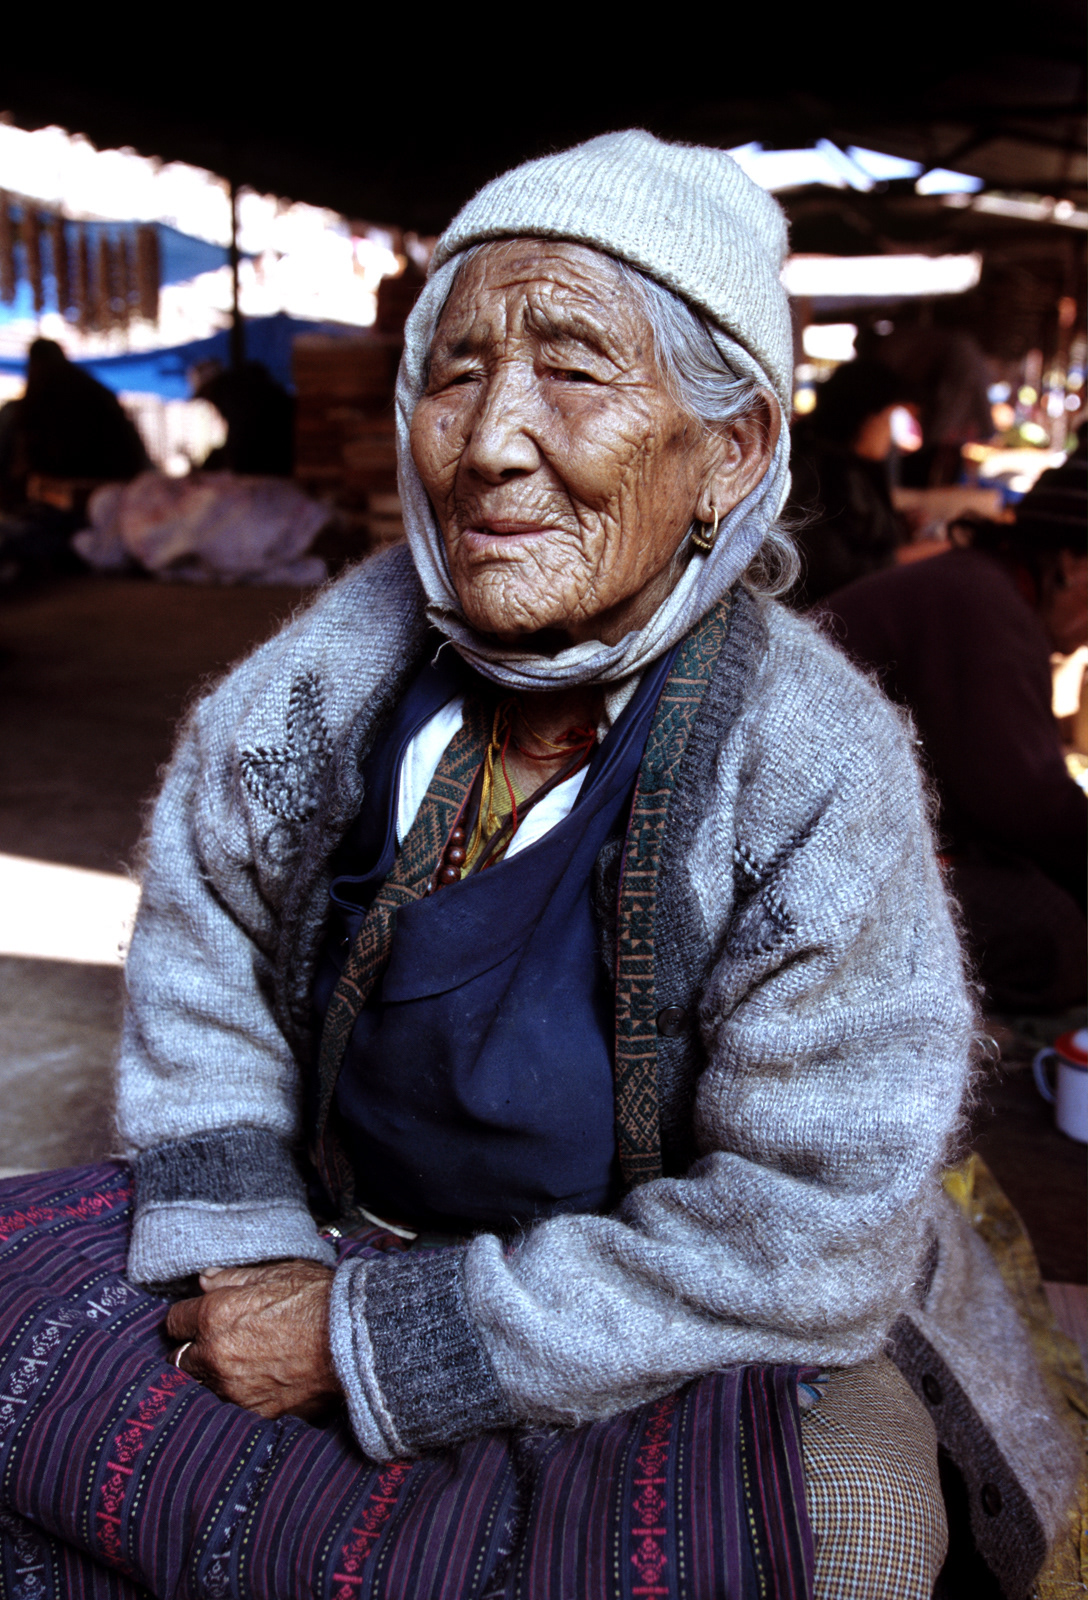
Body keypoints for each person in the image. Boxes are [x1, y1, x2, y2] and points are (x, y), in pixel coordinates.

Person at [0, 133, 1076, 1600]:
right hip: (331, 1231)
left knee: (854, 1542)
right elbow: (209, 965)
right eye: (455, 372)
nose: (492, 439)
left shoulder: (810, 759)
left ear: (734, 449)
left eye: (572, 366)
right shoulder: (326, 680)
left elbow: (805, 1238)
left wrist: (371, 1345)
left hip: (667, 1319)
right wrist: (252, 1257)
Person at [820, 451, 1088, 1014]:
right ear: (1072, 563)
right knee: (1051, 930)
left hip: (831, 848)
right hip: (802, 869)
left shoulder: (985, 591)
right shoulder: (984, 603)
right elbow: (1026, 802)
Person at [786, 358, 913, 608]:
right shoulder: (824, 472)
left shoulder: (843, 466)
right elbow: (833, 571)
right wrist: (911, 555)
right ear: (866, 418)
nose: (890, 432)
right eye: (887, 419)